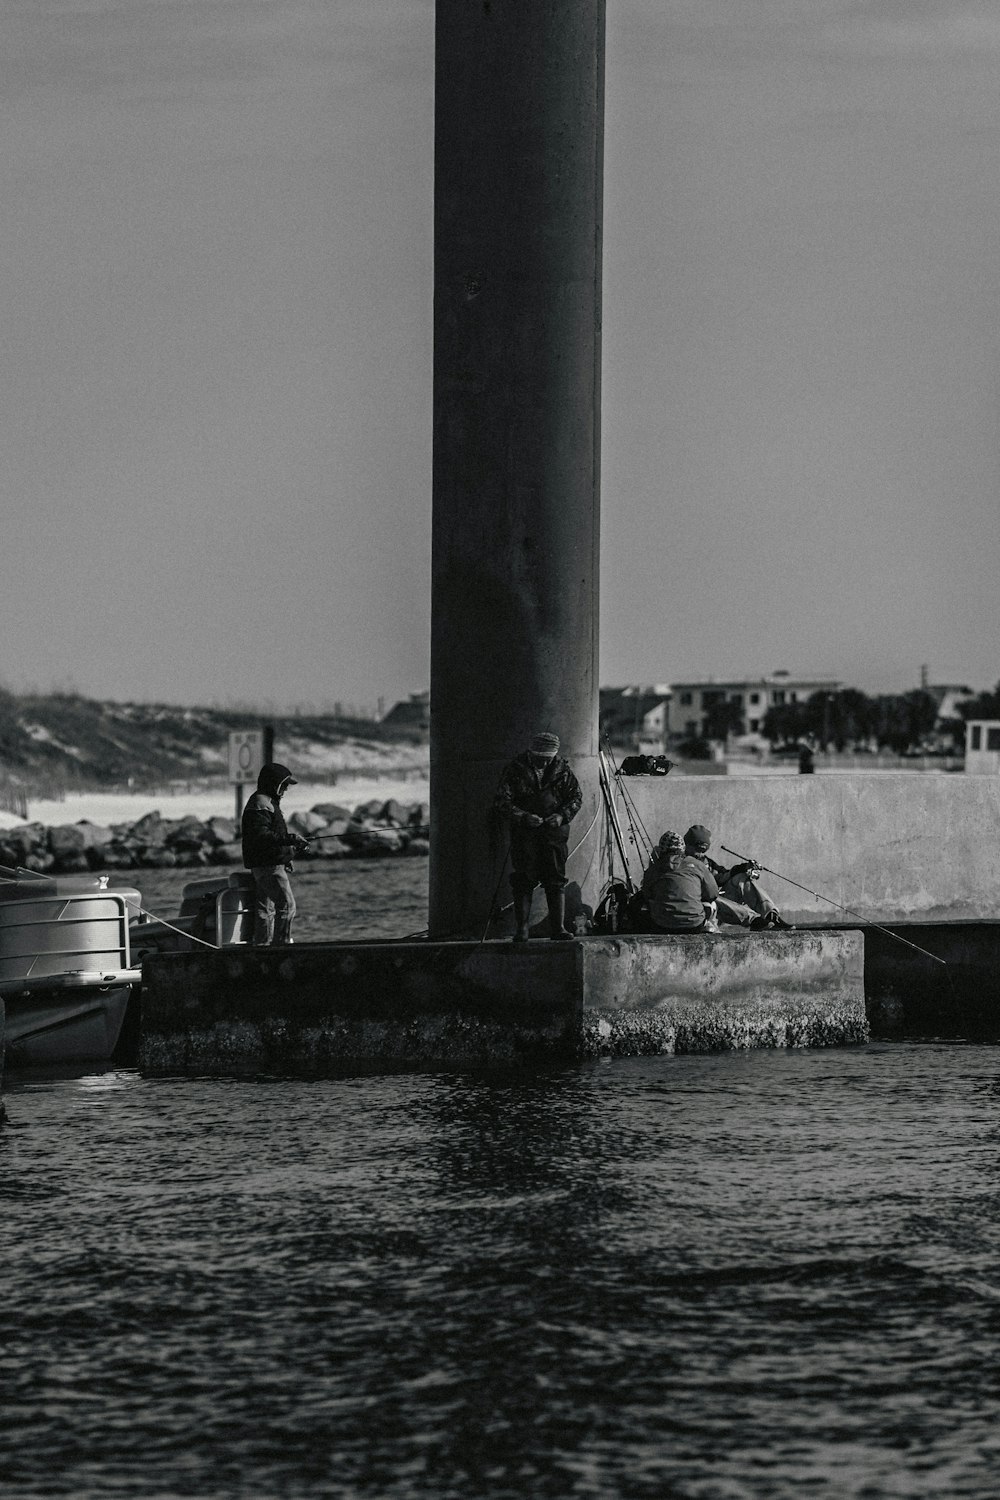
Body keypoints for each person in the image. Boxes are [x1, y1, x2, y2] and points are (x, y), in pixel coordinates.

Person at [494, 731, 582, 941]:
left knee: (555, 880)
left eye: (547, 759)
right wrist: (523, 817)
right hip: (525, 835)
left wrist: (561, 816)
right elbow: (501, 802)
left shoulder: (563, 771)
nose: (543, 763)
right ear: (531, 753)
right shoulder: (514, 770)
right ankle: (522, 929)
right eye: (540, 758)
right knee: (524, 879)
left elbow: (576, 798)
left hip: (554, 834)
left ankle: (558, 929)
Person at [241, 762, 310, 946]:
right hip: (268, 867)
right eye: (284, 784)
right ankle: (281, 946)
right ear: (273, 783)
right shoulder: (261, 803)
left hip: (268, 864)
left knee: (266, 910)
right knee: (287, 907)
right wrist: (292, 839)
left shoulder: (267, 802)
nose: (286, 789)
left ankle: (263, 947)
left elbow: (273, 836)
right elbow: (262, 836)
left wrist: (287, 856)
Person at [682, 824, 794, 929]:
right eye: (697, 850)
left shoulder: (707, 863)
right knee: (712, 896)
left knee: (741, 879)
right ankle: (753, 920)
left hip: (719, 909)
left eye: (703, 851)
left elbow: (720, 877)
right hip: (700, 909)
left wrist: (742, 868)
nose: (700, 854)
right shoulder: (680, 863)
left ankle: (771, 916)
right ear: (687, 845)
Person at [638, 829, 720, 933]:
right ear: (683, 848)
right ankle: (712, 930)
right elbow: (713, 894)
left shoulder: (653, 869)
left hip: (662, 924)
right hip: (694, 924)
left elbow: (647, 895)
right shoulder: (697, 864)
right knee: (711, 904)